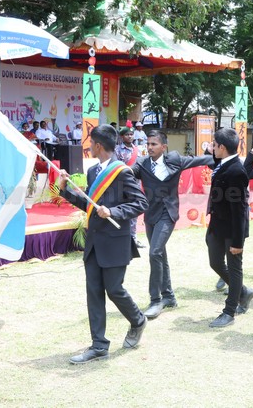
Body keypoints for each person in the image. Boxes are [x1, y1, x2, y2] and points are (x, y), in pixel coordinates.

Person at [58, 124, 149, 363]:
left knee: (114, 289)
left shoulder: (122, 172)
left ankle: (138, 320)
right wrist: (65, 190)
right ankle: (99, 345)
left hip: (115, 242)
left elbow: (140, 203)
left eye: (91, 143)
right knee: (94, 292)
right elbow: (90, 205)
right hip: (94, 243)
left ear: (98, 146)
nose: (89, 147)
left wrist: (113, 211)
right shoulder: (93, 172)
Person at [131, 131, 214, 319]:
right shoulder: (142, 163)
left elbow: (199, 160)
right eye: (148, 144)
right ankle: (169, 296)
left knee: (154, 253)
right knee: (160, 254)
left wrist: (219, 158)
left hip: (168, 214)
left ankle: (155, 300)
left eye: (153, 144)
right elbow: (128, 173)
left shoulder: (175, 160)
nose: (149, 147)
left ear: (163, 147)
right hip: (150, 215)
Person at [206, 128, 253, 327]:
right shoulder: (223, 163)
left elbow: (239, 210)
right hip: (217, 226)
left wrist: (237, 241)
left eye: (214, 145)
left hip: (233, 229)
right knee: (215, 263)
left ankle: (229, 311)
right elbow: (215, 165)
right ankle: (243, 291)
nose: (212, 148)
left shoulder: (236, 171)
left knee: (235, 268)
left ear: (222, 147)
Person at [114, 126, 144, 248]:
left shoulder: (138, 150)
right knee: (120, 209)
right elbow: (116, 166)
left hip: (135, 184)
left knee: (134, 211)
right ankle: (121, 238)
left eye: (131, 134)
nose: (130, 136)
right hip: (121, 184)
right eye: (127, 135)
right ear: (122, 136)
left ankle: (133, 238)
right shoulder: (117, 150)